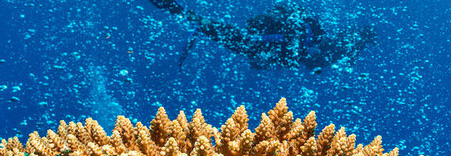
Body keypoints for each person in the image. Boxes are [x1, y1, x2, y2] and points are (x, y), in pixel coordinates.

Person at [147, 0, 376, 70]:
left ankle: (188, 16)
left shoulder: (319, 43)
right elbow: (291, 41)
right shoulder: (313, 39)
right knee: (242, 41)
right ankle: (186, 15)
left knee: (240, 41)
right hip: (268, 40)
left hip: (270, 41)